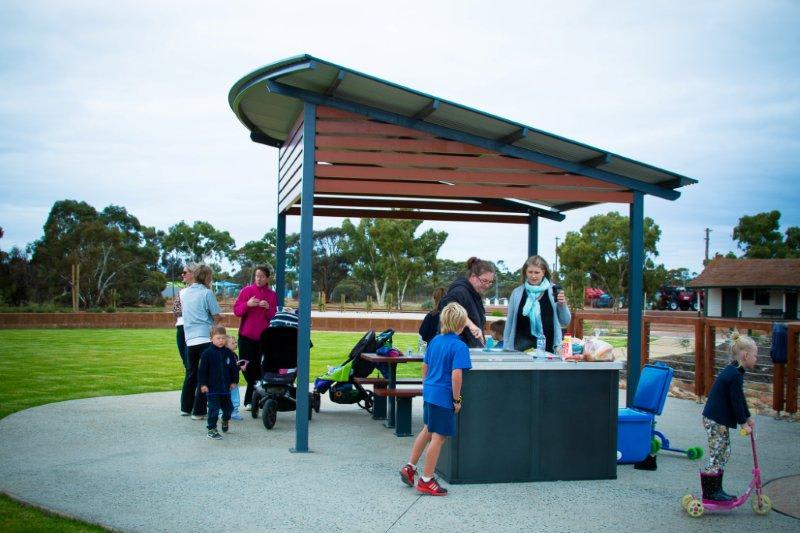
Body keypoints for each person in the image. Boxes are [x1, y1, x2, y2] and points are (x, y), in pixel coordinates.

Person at [399, 302, 472, 496]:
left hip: (430, 392)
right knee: (439, 437)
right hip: (443, 396)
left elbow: (425, 367)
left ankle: (410, 467)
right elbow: (457, 376)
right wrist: (456, 400)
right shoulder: (459, 346)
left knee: (427, 429)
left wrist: (428, 386)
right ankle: (427, 479)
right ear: (461, 323)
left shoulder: (434, 341)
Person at [698, 330, 756, 501]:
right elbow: (736, 402)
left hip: (718, 418)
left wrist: (747, 417)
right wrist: (743, 423)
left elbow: (739, 398)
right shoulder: (734, 375)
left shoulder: (735, 372)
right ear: (745, 355)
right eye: (755, 355)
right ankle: (710, 492)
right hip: (716, 419)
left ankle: (717, 489)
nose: (756, 358)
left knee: (724, 452)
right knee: (718, 453)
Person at [503, 255, 571, 353]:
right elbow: (509, 322)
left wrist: (562, 305)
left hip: (549, 350)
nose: (533, 276)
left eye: (537, 272)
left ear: (543, 272)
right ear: (525, 272)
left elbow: (565, 322)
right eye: (530, 272)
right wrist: (506, 346)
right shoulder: (517, 293)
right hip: (520, 350)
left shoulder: (554, 291)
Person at [233, 265, 278, 410]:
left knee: (259, 367)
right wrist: (248, 304)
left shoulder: (272, 295)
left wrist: (267, 308)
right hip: (245, 335)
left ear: (267, 278)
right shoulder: (246, 291)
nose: (258, 279)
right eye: (257, 276)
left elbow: (273, 316)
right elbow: (237, 311)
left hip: (263, 337)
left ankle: (250, 400)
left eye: (262, 276)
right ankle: (254, 396)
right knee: (246, 367)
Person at [180, 264, 222, 419]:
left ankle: (186, 407)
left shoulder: (184, 293)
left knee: (191, 374)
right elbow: (217, 316)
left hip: (190, 339)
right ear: (206, 277)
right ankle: (199, 411)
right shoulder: (207, 293)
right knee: (206, 375)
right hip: (205, 337)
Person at [438, 258, 495, 348]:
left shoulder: (475, 295)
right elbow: (448, 306)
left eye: (490, 282)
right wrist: (471, 325)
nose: (487, 285)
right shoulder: (460, 291)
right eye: (484, 281)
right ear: (473, 276)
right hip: (457, 349)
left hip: (471, 350)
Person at [198, 326, 239, 440]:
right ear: (211, 339)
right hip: (212, 388)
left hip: (225, 388)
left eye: (223, 338)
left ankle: (225, 419)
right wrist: (203, 384)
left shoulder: (228, 353)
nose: (221, 340)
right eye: (218, 338)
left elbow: (234, 369)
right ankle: (211, 429)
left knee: (228, 409)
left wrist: (234, 381)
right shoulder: (207, 353)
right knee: (214, 409)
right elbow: (202, 371)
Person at [224, 335, 244, 420]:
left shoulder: (235, 355)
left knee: (235, 399)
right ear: (225, 345)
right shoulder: (224, 355)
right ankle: (222, 413)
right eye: (233, 343)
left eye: (236, 342)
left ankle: (234, 413)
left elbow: (235, 369)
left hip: (234, 382)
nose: (235, 344)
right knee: (224, 398)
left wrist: (240, 367)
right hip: (226, 382)